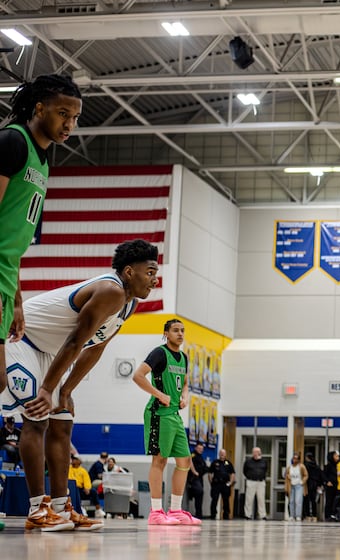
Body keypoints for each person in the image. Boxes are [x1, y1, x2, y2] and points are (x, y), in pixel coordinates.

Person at [2, 240, 158, 532]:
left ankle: (61, 508)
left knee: (62, 423)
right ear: (128, 272)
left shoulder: (129, 304)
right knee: (37, 418)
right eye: (149, 272)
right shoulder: (110, 290)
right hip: (22, 338)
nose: (154, 279)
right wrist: (49, 389)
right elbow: (76, 340)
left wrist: (66, 390)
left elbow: (94, 348)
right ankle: (37, 509)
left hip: (48, 351)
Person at [0, 74, 83, 410]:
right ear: (39, 108)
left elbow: (13, 240)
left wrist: (16, 300)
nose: (69, 125)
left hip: (6, 276)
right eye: (63, 114)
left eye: (75, 117)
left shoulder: (44, 158)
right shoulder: (12, 142)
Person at [132, 318, 200, 527]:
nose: (180, 334)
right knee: (159, 461)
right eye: (175, 330)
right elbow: (138, 376)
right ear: (166, 333)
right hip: (158, 412)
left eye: (182, 330)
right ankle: (156, 512)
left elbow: (185, 383)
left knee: (184, 461)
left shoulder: (184, 357)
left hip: (175, 415)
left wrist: (185, 397)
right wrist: (159, 394)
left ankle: (177, 510)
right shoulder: (159, 353)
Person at [209, 448, 236, 520]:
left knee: (226, 500)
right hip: (216, 484)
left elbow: (232, 473)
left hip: (225, 484)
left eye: (223, 453)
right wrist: (211, 482)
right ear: (219, 454)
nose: (222, 455)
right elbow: (210, 473)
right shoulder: (215, 462)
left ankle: (226, 515)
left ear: (225, 454)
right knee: (214, 499)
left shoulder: (228, 463)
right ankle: (213, 514)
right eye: (221, 453)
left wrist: (230, 483)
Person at [243, 447, 268, 520]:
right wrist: (249, 476)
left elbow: (266, 470)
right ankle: (247, 515)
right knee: (249, 499)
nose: (256, 453)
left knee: (261, 499)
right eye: (254, 452)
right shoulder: (248, 461)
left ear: (260, 453)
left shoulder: (264, 461)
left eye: (257, 452)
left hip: (261, 482)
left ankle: (262, 515)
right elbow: (244, 471)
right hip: (251, 482)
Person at [185, 443, 207, 519]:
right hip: (193, 478)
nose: (201, 450)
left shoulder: (200, 457)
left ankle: (199, 514)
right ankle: (198, 514)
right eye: (199, 448)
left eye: (202, 449)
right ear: (196, 448)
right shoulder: (193, 455)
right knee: (199, 492)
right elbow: (190, 463)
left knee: (200, 495)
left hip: (199, 479)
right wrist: (195, 472)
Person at [283, 453, 308, 521]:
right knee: (291, 501)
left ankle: (298, 515)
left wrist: (302, 482)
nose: (295, 460)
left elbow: (306, 475)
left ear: (299, 460)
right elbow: (286, 475)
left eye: (296, 459)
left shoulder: (301, 466)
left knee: (298, 501)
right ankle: (292, 515)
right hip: (291, 485)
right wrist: (287, 477)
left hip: (299, 485)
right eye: (294, 458)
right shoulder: (289, 467)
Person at [323, 450, 340, 521]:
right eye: (335, 456)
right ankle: (327, 515)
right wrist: (327, 482)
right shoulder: (328, 466)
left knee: (334, 501)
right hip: (330, 486)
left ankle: (333, 515)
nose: (337, 457)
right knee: (329, 501)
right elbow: (324, 475)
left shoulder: (337, 465)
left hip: (336, 485)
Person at [302, 452, 324, 521]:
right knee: (313, 501)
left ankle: (308, 515)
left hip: (308, 484)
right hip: (315, 485)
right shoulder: (316, 466)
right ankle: (314, 516)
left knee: (307, 500)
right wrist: (319, 484)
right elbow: (321, 476)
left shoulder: (306, 466)